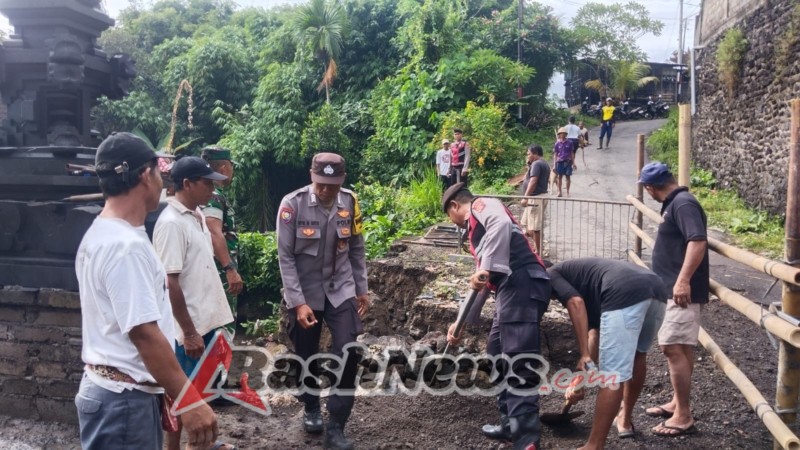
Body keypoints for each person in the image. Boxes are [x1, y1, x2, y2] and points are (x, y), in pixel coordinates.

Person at [74, 132, 218, 449]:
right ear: (144, 175)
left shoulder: (103, 233)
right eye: (158, 172)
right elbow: (143, 333)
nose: (162, 181)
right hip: (123, 403)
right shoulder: (125, 246)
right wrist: (189, 399)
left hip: (117, 393)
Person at [442, 182, 551, 450]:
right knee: (496, 351)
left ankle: (527, 441)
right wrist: (460, 323)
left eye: (449, 215)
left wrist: (486, 268)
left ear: (455, 205)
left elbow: (501, 226)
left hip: (522, 282)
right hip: (509, 290)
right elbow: (482, 284)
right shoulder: (479, 234)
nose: (454, 222)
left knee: (517, 360)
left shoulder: (482, 206)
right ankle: (510, 425)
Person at [277, 152, 369, 450]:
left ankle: (337, 425)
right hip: (306, 292)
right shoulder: (292, 205)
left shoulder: (350, 203)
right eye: (321, 184)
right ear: (311, 176)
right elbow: (286, 257)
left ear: (342, 181)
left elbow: (356, 249)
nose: (327, 190)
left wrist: (362, 288)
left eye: (333, 185)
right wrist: (297, 302)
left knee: (349, 348)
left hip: (340, 288)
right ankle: (311, 405)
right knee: (307, 351)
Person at [153, 156, 235, 450]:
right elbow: (169, 281)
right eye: (207, 183)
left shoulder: (196, 214)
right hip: (189, 328)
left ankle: (198, 445)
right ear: (186, 184)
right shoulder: (172, 223)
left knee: (196, 391)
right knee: (182, 393)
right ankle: (182, 447)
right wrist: (188, 331)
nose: (213, 190)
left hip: (205, 320)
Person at [548, 257, 667, 449]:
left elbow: (575, 302)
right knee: (638, 354)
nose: (554, 300)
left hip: (625, 292)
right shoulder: (586, 280)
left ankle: (594, 445)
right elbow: (595, 333)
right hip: (656, 289)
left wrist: (584, 354)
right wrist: (579, 383)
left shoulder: (551, 274)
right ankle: (624, 420)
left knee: (612, 374)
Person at [638, 162, 709, 438]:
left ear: (650, 187)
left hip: (680, 292)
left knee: (671, 347)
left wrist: (682, 280)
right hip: (673, 290)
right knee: (680, 346)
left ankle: (683, 415)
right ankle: (677, 403)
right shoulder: (677, 202)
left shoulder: (683, 204)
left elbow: (697, 241)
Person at [201, 146, 242, 335]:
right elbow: (213, 231)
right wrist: (229, 269)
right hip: (219, 272)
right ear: (224, 169)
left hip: (216, 270)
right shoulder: (214, 196)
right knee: (223, 323)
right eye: (231, 167)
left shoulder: (209, 194)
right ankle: (219, 364)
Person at [519, 144, 550, 255]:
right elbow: (529, 178)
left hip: (535, 198)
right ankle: (539, 246)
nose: (528, 156)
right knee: (527, 226)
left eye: (529, 154)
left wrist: (525, 197)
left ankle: (540, 250)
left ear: (535, 153)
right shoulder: (540, 163)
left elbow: (533, 181)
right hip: (535, 198)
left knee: (536, 227)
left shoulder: (537, 164)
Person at [552, 127, 575, 197]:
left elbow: (571, 153)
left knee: (568, 177)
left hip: (568, 162)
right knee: (559, 177)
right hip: (559, 162)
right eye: (561, 134)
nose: (562, 135)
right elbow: (555, 154)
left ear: (566, 134)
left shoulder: (570, 142)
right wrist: (554, 165)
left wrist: (573, 162)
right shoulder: (557, 143)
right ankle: (560, 192)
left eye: (564, 133)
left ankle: (568, 192)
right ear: (559, 134)